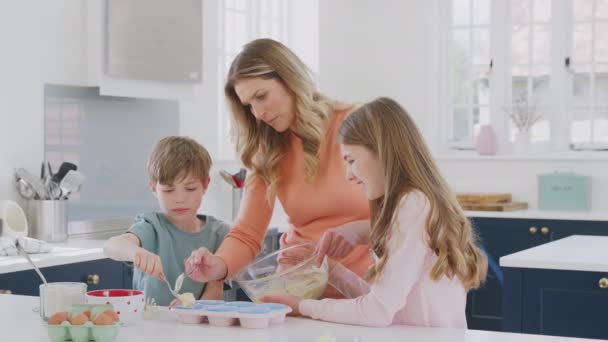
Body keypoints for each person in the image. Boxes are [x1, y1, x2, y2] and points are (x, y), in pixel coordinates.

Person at [262, 97, 488, 328]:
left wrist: (303, 306)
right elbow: (382, 303)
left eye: (351, 160)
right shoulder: (412, 203)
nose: (349, 175)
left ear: (382, 151)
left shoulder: (414, 204)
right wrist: (329, 268)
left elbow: (376, 312)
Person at [185, 39, 372, 296]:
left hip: (369, 295)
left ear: (289, 78)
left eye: (262, 96)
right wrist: (218, 265)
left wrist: (359, 231)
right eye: (249, 106)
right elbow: (247, 233)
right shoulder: (267, 150)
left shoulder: (358, 123)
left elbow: (415, 214)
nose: (259, 113)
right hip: (300, 293)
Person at [104, 136, 230, 306]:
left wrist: (192, 310)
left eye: (190, 188)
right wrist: (136, 253)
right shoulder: (151, 226)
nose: (179, 199)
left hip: (199, 327)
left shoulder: (219, 234)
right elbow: (112, 245)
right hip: (150, 327)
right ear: (154, 188)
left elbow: (215, 291)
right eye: (169, 190)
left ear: (205, 185)